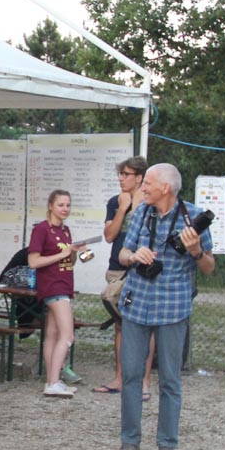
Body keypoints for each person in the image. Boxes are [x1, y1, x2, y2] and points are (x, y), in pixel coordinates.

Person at [115, 163, 215, 450]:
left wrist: (196, 251)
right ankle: (129, 441)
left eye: (147, 183)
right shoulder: (141, 213)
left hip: (173, 307)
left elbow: (209, 268)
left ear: (165, 188)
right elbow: (122, 254)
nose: (142, 187)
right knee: (131, 375)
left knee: (170, 379)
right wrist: (134, 255)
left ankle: (167, 444)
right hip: (137, 303)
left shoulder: (193, 218)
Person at [95, 156, 154, 400]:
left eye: (126, 174)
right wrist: (122, 208)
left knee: (145, 326)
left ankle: (144, 382)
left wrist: (138, 205)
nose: (121, 178)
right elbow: (109, 235)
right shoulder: (114, 202)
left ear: (139, 178)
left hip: (142, 270)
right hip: (118, 269)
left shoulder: (151, 203)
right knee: (120, 325)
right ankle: (119, 378)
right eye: (120, 174)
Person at [27, 190, 87, 398]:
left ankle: (52, 380)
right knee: (67, 334)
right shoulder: (42, 229)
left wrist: (73, 252)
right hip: (53, 286)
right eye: (61, 205)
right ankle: (53, 381)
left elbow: (69, 262)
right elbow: (33, 262)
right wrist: (62, 254)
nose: (65, 209)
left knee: (52, 334)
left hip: (64, 283)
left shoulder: (66, 230)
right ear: (51, 205)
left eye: (68, 205)